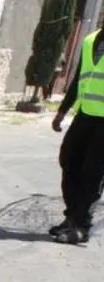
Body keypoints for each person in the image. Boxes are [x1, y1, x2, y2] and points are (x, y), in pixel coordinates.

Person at [49, 12, 104, 245]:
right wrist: (62, 111)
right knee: (68, 160)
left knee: (93, 172)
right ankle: (73, 215)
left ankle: (82, 225)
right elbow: (78, 79)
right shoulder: (91, 40)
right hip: (85, 115)